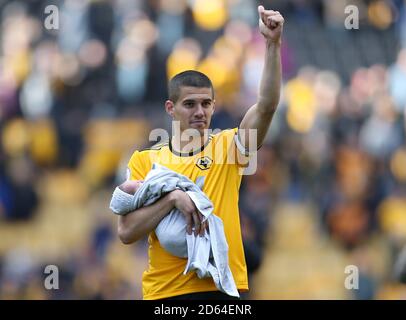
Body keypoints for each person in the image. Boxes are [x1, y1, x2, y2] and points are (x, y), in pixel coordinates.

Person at [116, 5, 284, 300]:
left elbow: (267, 105)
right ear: (171, 108)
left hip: (222, 289)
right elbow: (127, 232)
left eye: (206, 104)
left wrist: (272, 44)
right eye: (190, 104)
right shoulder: (145, 160)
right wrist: (172, 199)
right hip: (164, 293)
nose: (200, 111)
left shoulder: (229, 148)